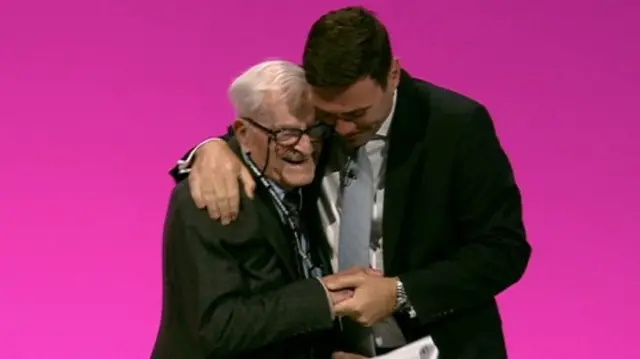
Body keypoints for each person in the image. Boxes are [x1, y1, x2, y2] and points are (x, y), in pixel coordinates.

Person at [170, 6, 532, 359]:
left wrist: (400, 292)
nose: (341, 130)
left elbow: (504, 249)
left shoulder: (455, 127)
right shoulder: (313, 128)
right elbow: (259, 136)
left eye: (357, 115)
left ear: (392, 75)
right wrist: (209, 150)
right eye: (328, 116)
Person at [151, 60, 356, 359]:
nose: (306, 147)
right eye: (287, 134)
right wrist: (322, 298)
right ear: (244, 134)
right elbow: (219, 327)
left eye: (314, 130)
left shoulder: (299, 180)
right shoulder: (212, 196)